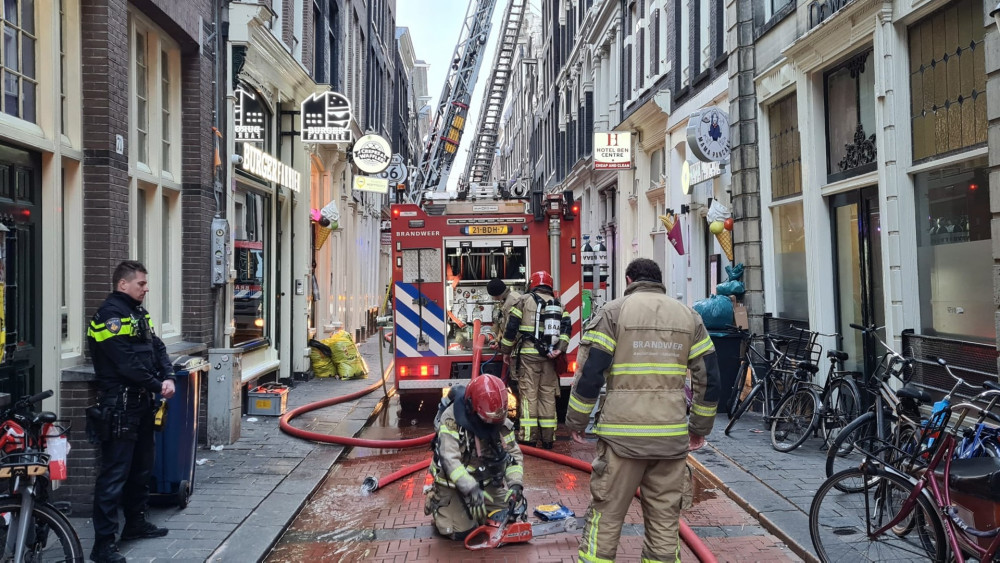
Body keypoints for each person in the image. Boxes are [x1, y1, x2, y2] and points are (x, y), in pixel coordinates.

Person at [565, 258, 721, 562]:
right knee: (665, 522)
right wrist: (699, 428)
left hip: (621, 439)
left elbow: (591, 373)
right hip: (670, 438)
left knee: (607, 516)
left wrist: (577, 420)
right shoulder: (689, 317)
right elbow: (710, 377)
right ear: (659, 280)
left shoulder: (613, 312)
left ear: (628, 279)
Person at [87, 261, 176, 563]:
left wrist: (168, 376)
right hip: (120, 405)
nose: (146, 289)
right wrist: (156, 383)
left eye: (146, 284)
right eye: (141, 284)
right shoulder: (108, 316)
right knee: (114, 476)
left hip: (141, 404)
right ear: (123, 284)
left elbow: (157, 346)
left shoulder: (137, 313)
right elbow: (124, 362)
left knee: (141, 468)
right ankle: (103, 545)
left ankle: (135, 524)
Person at [424, 374, 525, 540]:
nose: (492, 426)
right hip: (453, 487)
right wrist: (470, 488)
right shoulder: (452, 419)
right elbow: (450, 460)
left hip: (485, 484)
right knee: (461, 531)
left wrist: (515, 484)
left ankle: (480, 510)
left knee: (513, 512)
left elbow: (513, 454)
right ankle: (438, 505)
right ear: (473, 408)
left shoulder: (498, 417)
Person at [499, 271, 571, 449]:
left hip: (528, 356)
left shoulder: (523, 301)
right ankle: (548, 438)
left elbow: (511, 328)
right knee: (547, 395)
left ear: (532, 284)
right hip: (550, 357)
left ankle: (529, 438)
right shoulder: (559, 305)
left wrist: (506, 351)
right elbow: (566, 329)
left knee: (529, 395)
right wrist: (558, 351)